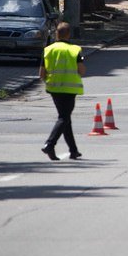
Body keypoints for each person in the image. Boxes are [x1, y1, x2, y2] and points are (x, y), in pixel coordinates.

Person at [39, 22, 86, 161]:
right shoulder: (75, 50)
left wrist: (48, 80)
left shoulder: (48, 50)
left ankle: (73, 150)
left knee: (65, 118)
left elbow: (41, 73)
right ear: (69, 34)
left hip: (54, 88)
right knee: (64, 118)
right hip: (70, 89)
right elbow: (81, 70)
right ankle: (50, 144)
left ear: (56, 34)